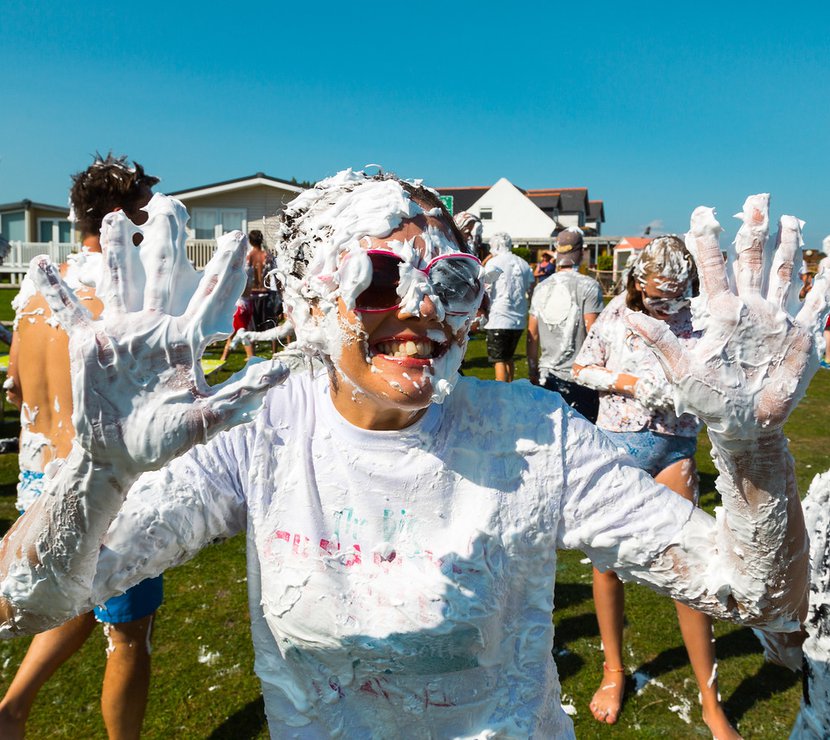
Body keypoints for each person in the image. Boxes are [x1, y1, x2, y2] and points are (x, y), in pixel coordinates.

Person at [0, 173, 821, 739]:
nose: (423, 309)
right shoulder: (261, 425)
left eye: (452, 280)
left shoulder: (535, 435)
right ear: (310, 295)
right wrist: (97, 472)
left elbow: (753, 592)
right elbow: (28, 603)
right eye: (382, 277)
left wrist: (751, 448)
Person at [0, 154, 164, 740]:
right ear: (130, 219)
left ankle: (10, 712)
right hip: (101, 494)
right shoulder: (126, 296)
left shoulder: (37, 293)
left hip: (40, 480)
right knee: (127, 635)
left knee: (64, 600)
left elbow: (17, 384)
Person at [572, 233, 740, 737]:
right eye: (656, 295)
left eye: (675, 295)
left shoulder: (698, 321)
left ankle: (711, 703)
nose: (666, 305)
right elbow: (579, 367)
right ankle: (613, 670)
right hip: (617, 448)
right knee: (607, 566)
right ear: (637, 282)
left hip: (674, 452)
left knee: (687, 573)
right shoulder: (617, 316)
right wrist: (628, 383)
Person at [527, 227, 603, 421]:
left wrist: (533, 370)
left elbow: (532, 334)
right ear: (580, 252)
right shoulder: (588, 286)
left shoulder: (541, 287)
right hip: (579, 378)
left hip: (547, 376)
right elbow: (594, 333)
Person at [481, 232, 534, 382]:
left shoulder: (494, 263)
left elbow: (486, 288)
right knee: (508, 358)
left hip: (499, 318)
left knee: (499, 360)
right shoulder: (523, 263)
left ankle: (501, 394)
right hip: (518, 320)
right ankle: (509, 389)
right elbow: (531, 288)